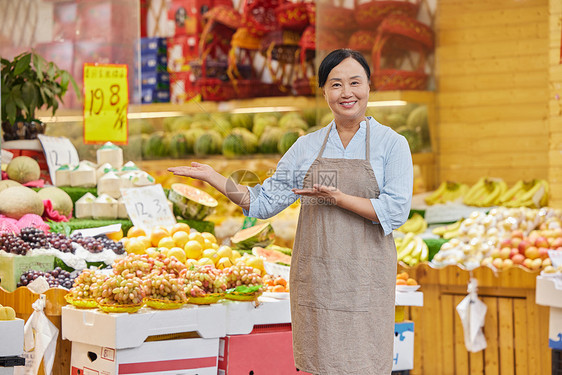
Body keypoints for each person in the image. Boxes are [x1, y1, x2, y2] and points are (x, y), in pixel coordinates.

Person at [168, 48, 413, 374]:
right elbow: (263, 203)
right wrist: (215, 178)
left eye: (355, 82)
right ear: (323, 90)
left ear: (369, 86)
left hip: (365, 285)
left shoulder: (392, 144)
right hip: (318, 283)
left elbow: (396, 212)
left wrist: (339, 198)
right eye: (336, 84)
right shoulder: (307, 147)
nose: (347, 92)